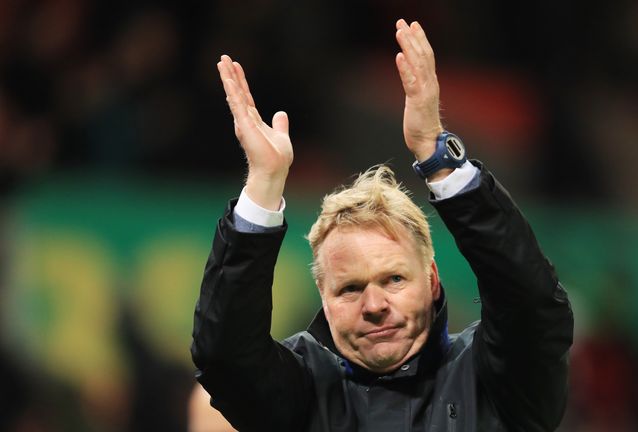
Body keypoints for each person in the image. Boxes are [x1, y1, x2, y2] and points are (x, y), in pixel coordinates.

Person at [191, 19, 573, 432]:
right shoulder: (301, 391)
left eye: (393, 279)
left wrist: (438, 156)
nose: (374, 306)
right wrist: (264, 185)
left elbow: (532, 303)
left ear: (432, 279)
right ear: (324, 296)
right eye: (350, 288)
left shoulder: (496, 382)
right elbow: (224, 356)